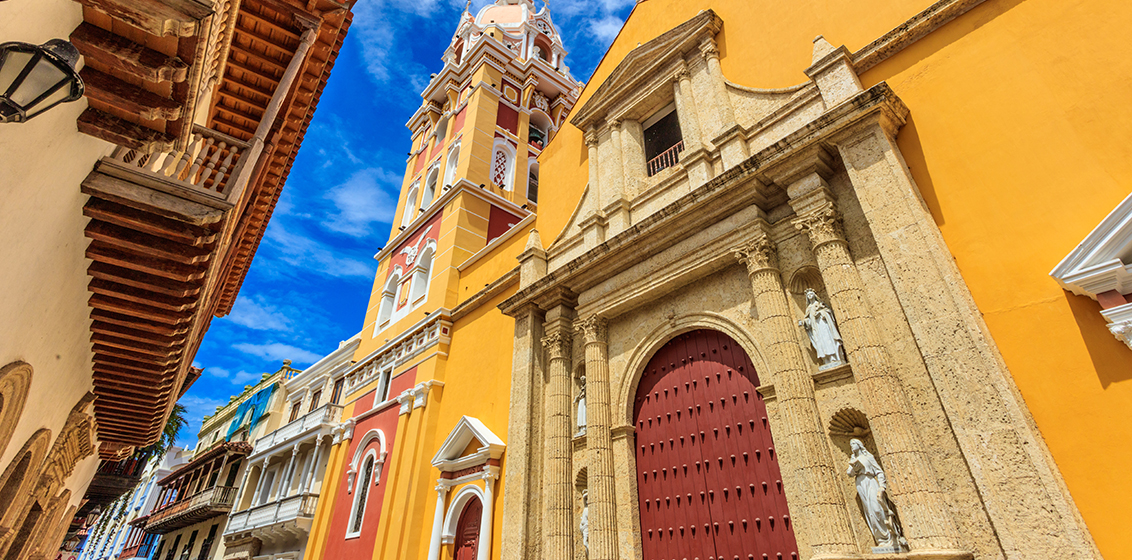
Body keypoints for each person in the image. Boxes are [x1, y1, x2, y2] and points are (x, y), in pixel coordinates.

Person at [847, 439, 907, 550]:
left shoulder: (868, 457)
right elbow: (849, 473)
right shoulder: (853, 459)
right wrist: (854, 468)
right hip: (860, 483)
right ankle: (881, 540)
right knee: (870, 511)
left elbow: (879, 471)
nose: (852, 446)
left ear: (859, 445)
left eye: (854, 444)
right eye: (851, 445)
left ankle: (891, 536)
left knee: (877, 508)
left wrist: (882, 486)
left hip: (870, 481)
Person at [799, 288, 845, 368]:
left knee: (828, 340)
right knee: (820, 342)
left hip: (823, 326)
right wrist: (804, 322)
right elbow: (808, 320)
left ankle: (834, 357)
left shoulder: (820, 304)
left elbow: (828, 312)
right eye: (808, 295)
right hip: (816, 329)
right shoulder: (808, 308)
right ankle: (826, 359)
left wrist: (821, 314)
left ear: (814, 295)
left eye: (811, 294)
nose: (810, 296)